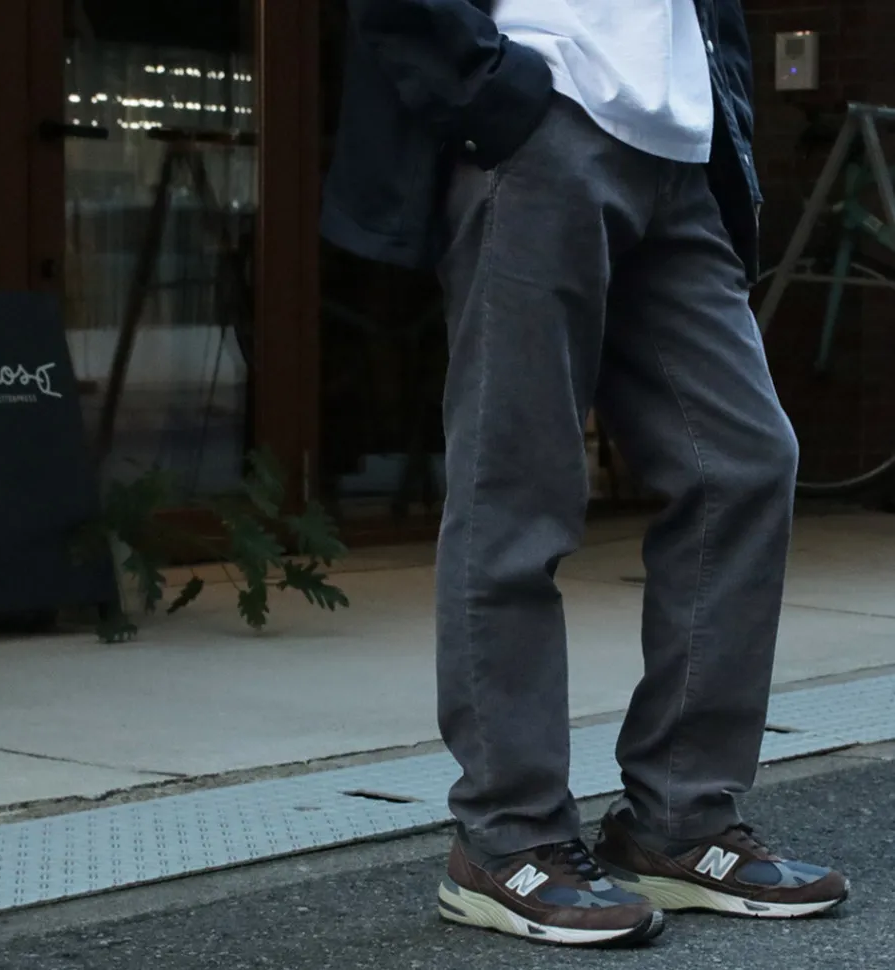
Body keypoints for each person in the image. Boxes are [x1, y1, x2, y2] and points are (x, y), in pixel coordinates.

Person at [322, 0, 850, 948]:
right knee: (517, 487)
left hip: (679, 145)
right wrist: (493, 87)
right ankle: (507, 834)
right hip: (541, 122)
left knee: (744, 463)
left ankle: (680, 818)